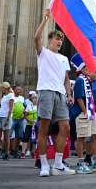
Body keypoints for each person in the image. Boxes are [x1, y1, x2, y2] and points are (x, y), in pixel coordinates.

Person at [34, 9, 75, 176]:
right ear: (50, 40)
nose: (59, 41)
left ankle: (58, 164)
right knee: (44, 129)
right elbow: (36, 38)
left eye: (61, 40)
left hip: (60, 94)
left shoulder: (64, 59)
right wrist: (45, 19)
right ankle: (44, 164)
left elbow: (65, 79)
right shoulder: (43, 53)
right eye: (57, 39)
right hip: (46, 91)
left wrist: (69, 94)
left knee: (65, 128)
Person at [71, 61, 96, 174]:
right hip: (83, 112)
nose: (88, 69)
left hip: (91, 112)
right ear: (81, 70)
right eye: (85, 67)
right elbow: (79, 98)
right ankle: (81, 162)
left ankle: (94, 160)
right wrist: (85, 111)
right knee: (81, 138)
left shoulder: (87, 80)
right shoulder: (79, 81)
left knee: (95, 135)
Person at [0, 82, 14, 161]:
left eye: (2, 87)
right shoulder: (4, 96)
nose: (1, 89)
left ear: (6, 88)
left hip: (6, 118)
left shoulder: (11, 95)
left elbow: (11, 108)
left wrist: (8, 119)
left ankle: (6, 153)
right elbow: (3, 107)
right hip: (0, 116)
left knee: (6, 137)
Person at [20, 91, 38, 159]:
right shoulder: (28, 106)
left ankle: (33, 152)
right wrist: (30, 120)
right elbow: (25, 115)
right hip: (29, 124)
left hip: (36, 125)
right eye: (33, 98)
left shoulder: (39, 106)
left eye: (36, 98)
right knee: (25, 138)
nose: (35, 99)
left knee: (34, 139)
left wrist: (36, 122)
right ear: (31, 99)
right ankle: (23, 153)